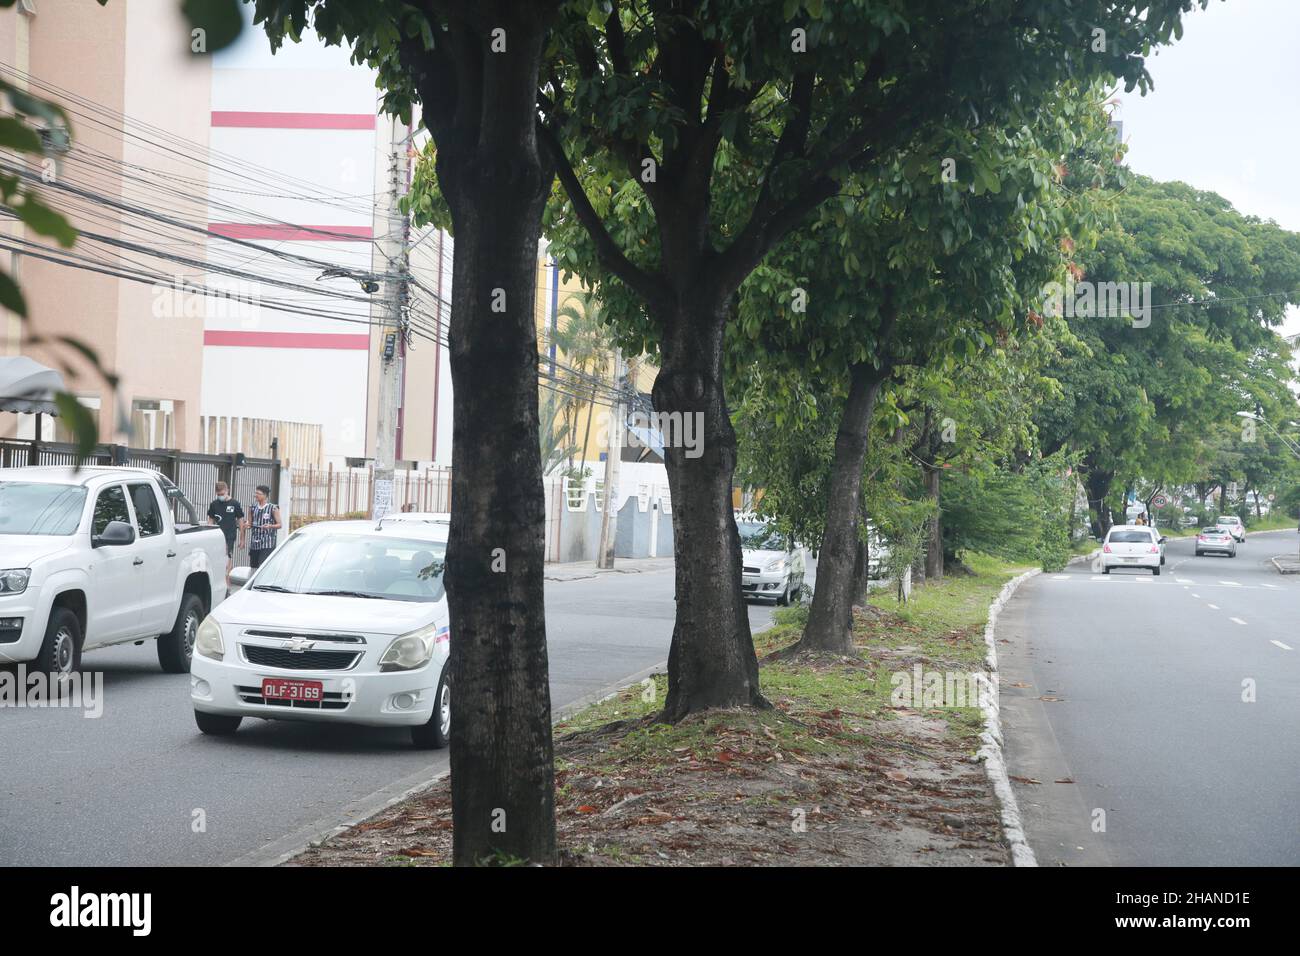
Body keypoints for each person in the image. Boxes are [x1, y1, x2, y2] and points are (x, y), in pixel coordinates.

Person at [207, 481, 245, 588]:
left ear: (227, 490)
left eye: (222, 494)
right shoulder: (214, 504)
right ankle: (219, 583)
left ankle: (227, 583)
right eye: (218, 494)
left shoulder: (235, 504)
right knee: (218, 560)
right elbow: (210, 519)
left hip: (229, 536)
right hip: (216, 536)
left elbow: (241, 521)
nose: (220, 496)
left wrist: (242, 539)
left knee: (227, 558)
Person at [245, 484, 282, 569]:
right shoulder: (252, 507)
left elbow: (280, 525)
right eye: (255, 493)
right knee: (253, 566)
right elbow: (249, 523)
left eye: (258, 493)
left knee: (263, 566)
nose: (256, 495)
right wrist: (247, 524)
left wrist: (270, 526)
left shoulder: (273, 508)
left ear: (265, 495)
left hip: (267, 542)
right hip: (254, 542)